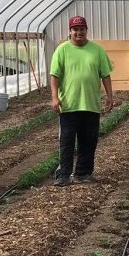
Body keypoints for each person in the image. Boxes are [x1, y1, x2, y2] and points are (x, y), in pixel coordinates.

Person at [50, 15, 114, 187]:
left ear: (86, 30)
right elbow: (55, 75)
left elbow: (105, 74)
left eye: (82, 29)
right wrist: (55, 97)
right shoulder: (62, 50)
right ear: (70, 32)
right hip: (68, 105)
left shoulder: (97, 50)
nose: (79, 32)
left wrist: (109, 95)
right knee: (67, 141)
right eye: (75, 29)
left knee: (89, 140)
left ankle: (83, 173)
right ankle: (63, 175)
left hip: (91, 104)